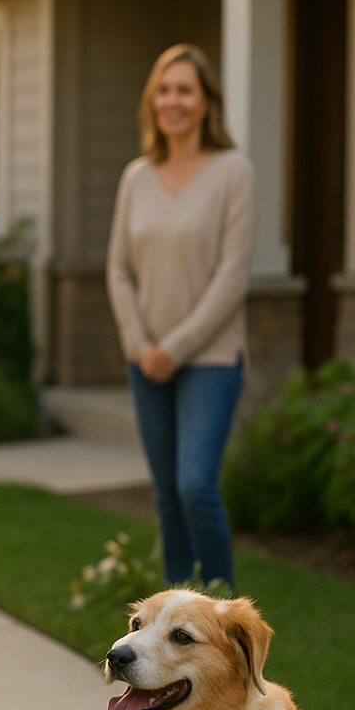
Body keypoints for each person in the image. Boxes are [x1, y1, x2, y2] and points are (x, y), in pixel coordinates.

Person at [105, 43, 254, 589]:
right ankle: (173, 616)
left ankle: (222, 613)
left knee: (196, 486)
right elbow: (118, 268)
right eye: (164, 90)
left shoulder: (233, 172)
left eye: (185, 90)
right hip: (145, 359)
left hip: (210, 359)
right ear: (153, 101)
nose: (174, 101)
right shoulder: (136, 178)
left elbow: (233, 277)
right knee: (167, 491)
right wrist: (141, 343)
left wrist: (175, 348)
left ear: (207, 102)